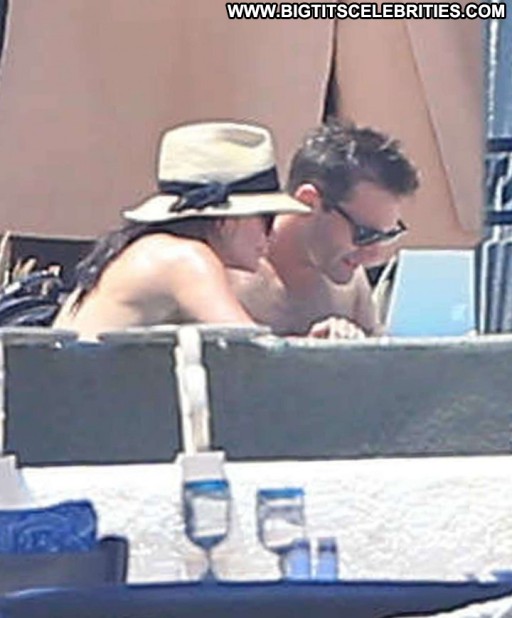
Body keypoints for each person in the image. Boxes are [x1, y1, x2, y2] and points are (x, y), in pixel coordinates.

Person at [53, 121, 310, 340]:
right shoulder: (186, 258)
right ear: (227, 221)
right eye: (267, 219)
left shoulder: (150, 250)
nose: (271, 235)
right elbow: (251, 350)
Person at [230, 118, 420, 338]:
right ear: (309, 203)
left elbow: (381, 352)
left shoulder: (349, 277)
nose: (374, 256)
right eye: (365, 235)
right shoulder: (229, 270)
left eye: (387, 236)